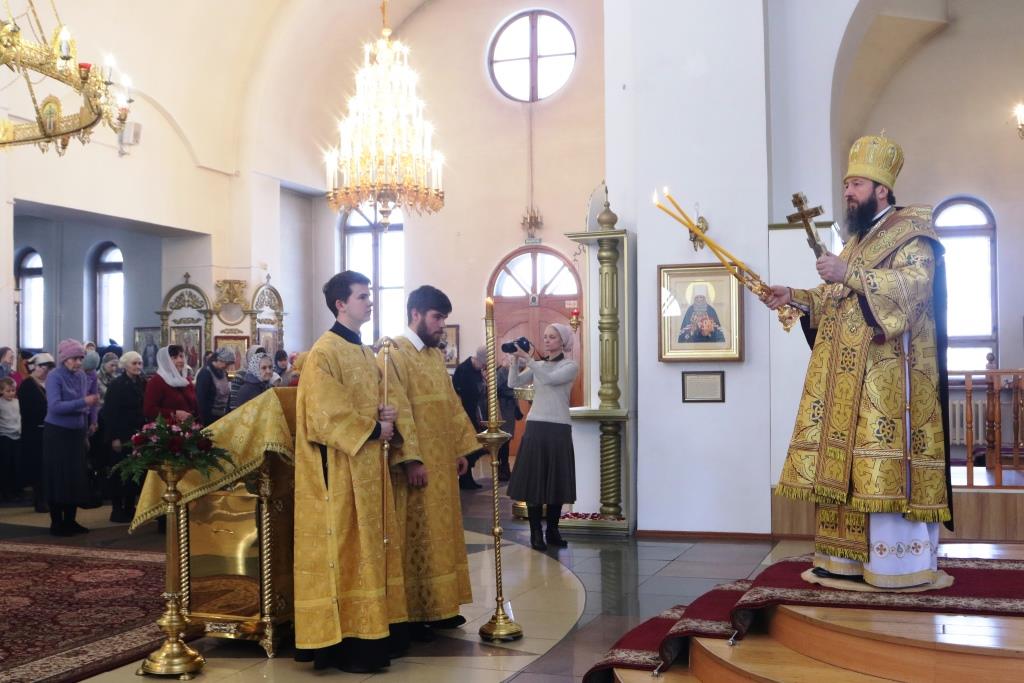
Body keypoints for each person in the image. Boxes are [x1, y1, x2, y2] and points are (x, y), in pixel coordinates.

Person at [764, 133, 952, 589]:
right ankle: (842, 561)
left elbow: (914, 288)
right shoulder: (857, 240)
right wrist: (796, 296)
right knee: (845, 469)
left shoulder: (913, 233)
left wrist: (848, 273)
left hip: (890, 383)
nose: (847, 191)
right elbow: (837, 298)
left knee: (878, 468)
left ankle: (895, 565)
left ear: (881, 190)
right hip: (846, 379)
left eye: (856, 184)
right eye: (847, 184)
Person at [292, 271, 412, 673]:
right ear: (341, 304)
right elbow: (323, 415)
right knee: (348, 550)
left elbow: (367, 401)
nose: (369, 301)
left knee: (372, 548)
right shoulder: (324, 352)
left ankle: (379, 630)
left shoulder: (362, 350)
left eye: (370, 295)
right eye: (362, 296)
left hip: (370, 468)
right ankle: (350, 642)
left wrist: (385, 414)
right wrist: (375, 428)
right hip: (343, 471)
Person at [381, 285, 479, 642]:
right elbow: (398, 409)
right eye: (437, 318)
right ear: (416, 314)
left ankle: (441, 607)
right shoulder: (394, 354)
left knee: (441, 536)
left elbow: (451, 405)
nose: (441, 325)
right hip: (418, 466)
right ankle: (413, 614)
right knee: (417, 539)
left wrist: (460, 450)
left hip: (441, 465)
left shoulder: (436, 357)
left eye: (444, 319)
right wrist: (411, 459)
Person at [506, 324, 579, 551]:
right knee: (534, 480)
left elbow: (549, 379)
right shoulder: (539, 365)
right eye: (545, 336)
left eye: (552, 337)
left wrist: (529, 359)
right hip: (536, 425)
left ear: (563, 341)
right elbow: (513, 383)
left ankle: (553, 531)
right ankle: (536, 532)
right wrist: (514, 361)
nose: (547, 340)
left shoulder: (570, 365)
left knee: (556, 480)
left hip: (558, 426)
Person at [43, 339, 99, 536]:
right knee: (59, 478)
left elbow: (90, 403)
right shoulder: (54, 376)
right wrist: (83, 403)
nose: (78, 363)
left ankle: (70, 521)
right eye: (74, 359)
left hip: (77, 433)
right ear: (64, 359)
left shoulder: (82, 376)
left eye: (80, 359)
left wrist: (90, 424)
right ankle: (57, 523)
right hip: (57, 433)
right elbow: (55, 407)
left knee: (75, 478)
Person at [102, 351, 147, 523]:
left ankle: (130, 506)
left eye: (140, 363)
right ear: (125, 365)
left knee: (134, 472)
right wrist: (114, 437)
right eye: (134, 363)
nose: (138, 367)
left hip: (137, 433)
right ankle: (117, 509)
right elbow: (110, 412)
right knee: (119, 472)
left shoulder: (142, 382)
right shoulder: (117, 384)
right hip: (120, 433)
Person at [19, 353, 54, 512]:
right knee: (38, 466)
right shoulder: (27, 385)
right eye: (44, 368)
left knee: (48, 465)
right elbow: (26, 411)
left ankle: (48, 497)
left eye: (49, 369)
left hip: (48, 429)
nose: (46, 371)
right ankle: (40, 499)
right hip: (33, 431)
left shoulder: (49, 383)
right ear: (36, 367)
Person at [451, 346, 488, 489]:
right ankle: (464, 478)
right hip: (463, 413)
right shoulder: (463, 370)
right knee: (468, 446)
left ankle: (468, 477)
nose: (484, 367)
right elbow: (457, 393)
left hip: (474, 412)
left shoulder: (478, 371)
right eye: (483, 364)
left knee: (476, 447)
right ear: (479, 359)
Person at [143, 345, 198, 422]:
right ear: (166, 361)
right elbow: (149, 410)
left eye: (181, 356)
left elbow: (195, 406)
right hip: (168, 427)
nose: (180, 360)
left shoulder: (186, 380)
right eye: (175, 358)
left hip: (190, 426)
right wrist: (174, 413)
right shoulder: (156, 381)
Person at [195, 348, 233, 425]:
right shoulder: (205, 373)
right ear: (219, 360)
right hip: (210, 419)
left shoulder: (223, 373)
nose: (227, 367)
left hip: (222, 417)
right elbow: (201, 400)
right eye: (227, 364)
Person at [0, 377, 21, 501]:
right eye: (8, 391)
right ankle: (6, 491)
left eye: (13, 390)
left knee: (16, 464)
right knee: (5, 465)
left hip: (17, 436)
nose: (11, 393)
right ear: (1, 391)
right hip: (5, 436)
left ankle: (16, 489)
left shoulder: (17, 402)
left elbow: (19, 417)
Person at [229, 346, 265, 411]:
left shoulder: (264, 374)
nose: (259, 360)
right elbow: (234, 403)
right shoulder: (240, 375)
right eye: (257, 357)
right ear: (250, 358)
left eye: (262, 357)